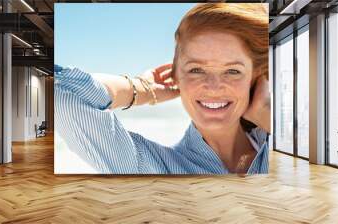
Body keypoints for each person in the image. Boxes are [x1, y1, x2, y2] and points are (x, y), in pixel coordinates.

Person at [55, 3, 270, 174]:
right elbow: (62, 97)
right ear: (176, 77)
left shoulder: (284, 146)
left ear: (256, 77)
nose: (213, 87)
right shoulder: (148, 167)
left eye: (232, 71)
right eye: (196, 70)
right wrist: (141, 89)